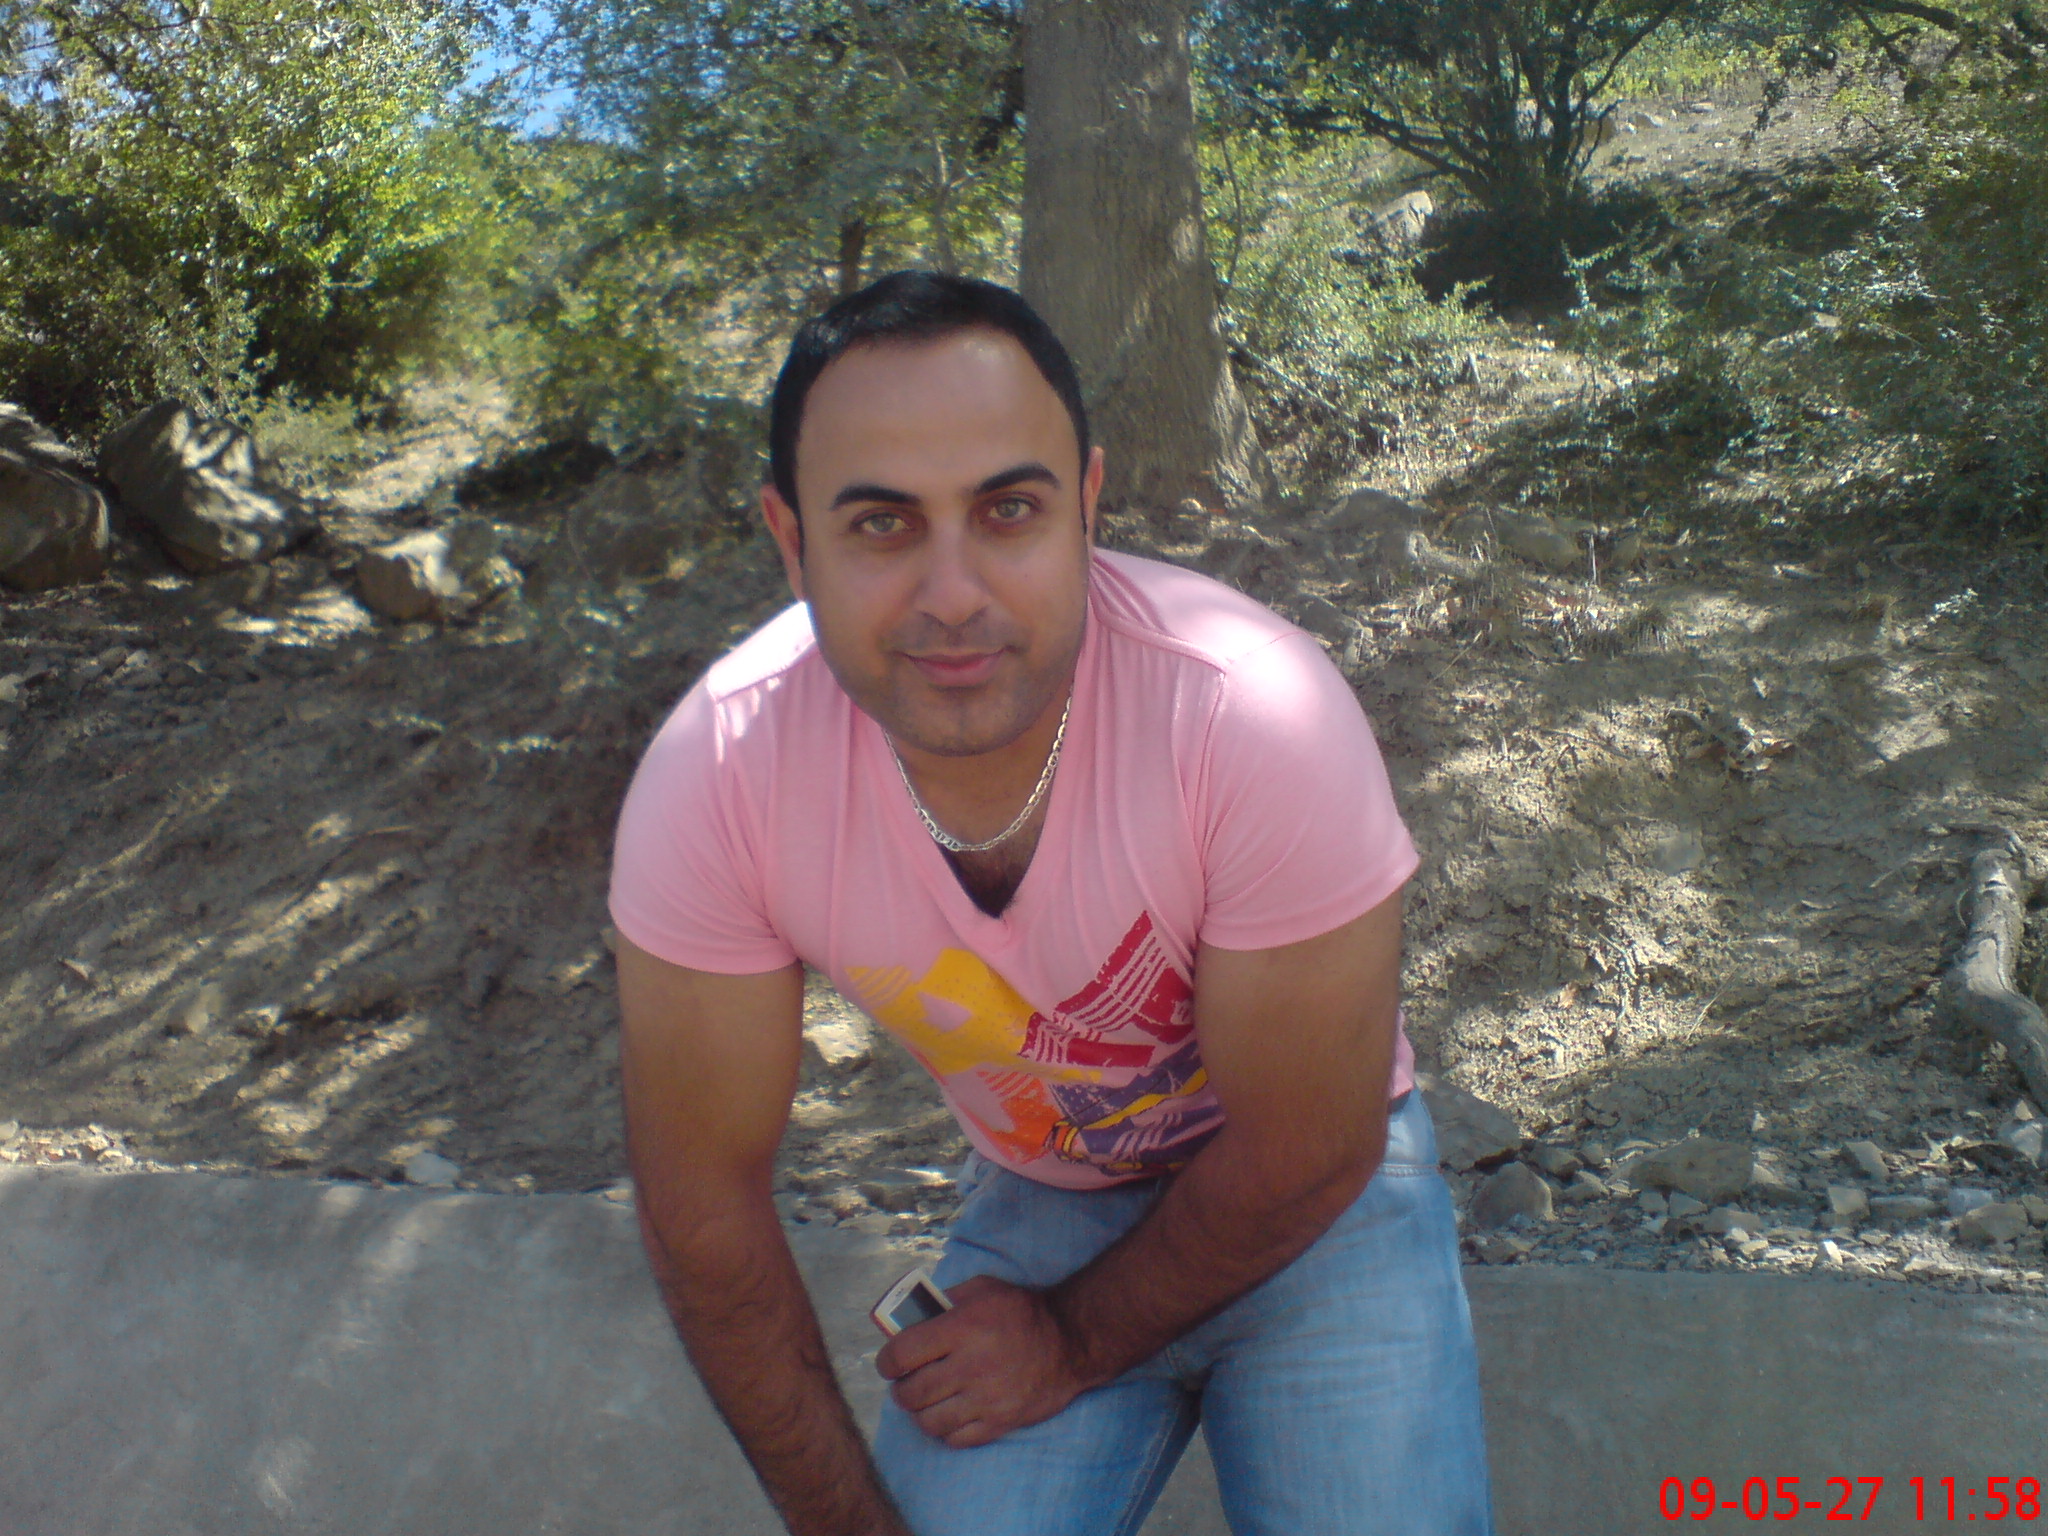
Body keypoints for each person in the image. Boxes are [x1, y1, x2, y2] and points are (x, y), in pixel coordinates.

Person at [608, 270, 1494, 1536]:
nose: (952, 595)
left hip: (1323, 1204)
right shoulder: (718, 779)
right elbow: (702, 1212)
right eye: (880, 525)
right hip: (1048, 1201)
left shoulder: (1250, 713)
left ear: (1085, 504)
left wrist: (1068, 1344)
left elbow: (1310, 1146)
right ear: (790, 540)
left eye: (1008, 511)